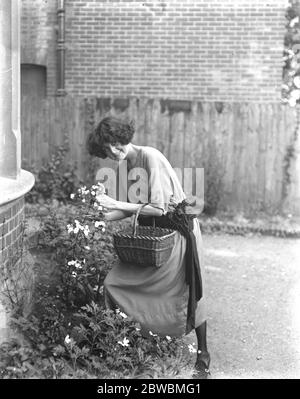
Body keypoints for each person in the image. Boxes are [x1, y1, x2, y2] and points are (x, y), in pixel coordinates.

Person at [86, 116, 211, 378]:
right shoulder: (128, 165)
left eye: (113, 146)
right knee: (114, 283)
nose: (112, 153)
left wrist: (115, 203)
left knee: (187, 290)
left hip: (178, 233)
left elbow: (159, 207)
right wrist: (101, 216)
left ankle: (203, 353)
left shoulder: (150, 157)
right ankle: (122, 341)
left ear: (121, 140)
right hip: (153, 234)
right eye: (108, 151)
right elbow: (134, 208)